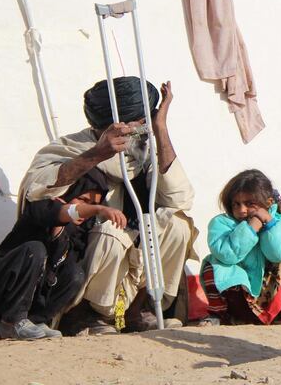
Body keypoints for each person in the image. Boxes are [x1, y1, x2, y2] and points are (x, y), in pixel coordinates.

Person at [19, 76, 196, 334]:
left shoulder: (144, 149)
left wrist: (161, 129)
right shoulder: (71, 147)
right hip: (91, 251)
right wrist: (98, 154)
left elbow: (180, 199)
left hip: (132, 259)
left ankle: (137, 310)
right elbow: (36, 191)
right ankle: (87, 315)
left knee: (178, 225)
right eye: (141, 122)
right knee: (111, 232)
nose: (144, 127)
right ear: (118, 124)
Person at [0, 169, 124, 340]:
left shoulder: (78, 233)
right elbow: (58, 213)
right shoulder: (41, 206)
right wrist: (96, 209)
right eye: (82, 199)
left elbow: (61, 264)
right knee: (35, 250)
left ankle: (35, 321)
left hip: (35, 297)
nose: (86, 208)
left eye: (92, 203)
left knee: (76, 274)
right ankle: (12, 322)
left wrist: (60, 231)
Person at [201, 170, 281, 328]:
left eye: (249, 204)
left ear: (267, 203)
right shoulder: (222, 224)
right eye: (236, 204)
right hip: (239, 299)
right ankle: (218, 315)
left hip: (270, 295)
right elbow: (228, 255)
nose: (241, 210)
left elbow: (277, 254)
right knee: (212, 265)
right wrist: (250, 229)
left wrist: (268, 225)